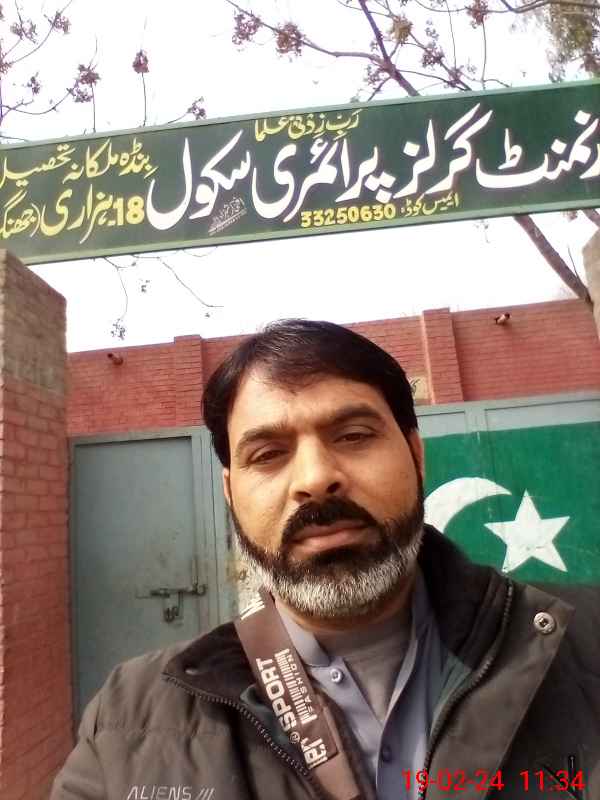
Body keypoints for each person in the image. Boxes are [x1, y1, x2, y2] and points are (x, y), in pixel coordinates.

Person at [51, 319, 600, 800]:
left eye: (354, 435)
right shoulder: (126, 721)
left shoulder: (586, 648)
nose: (315, 479)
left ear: (416, 456)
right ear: (230, 494)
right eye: (268, 454)